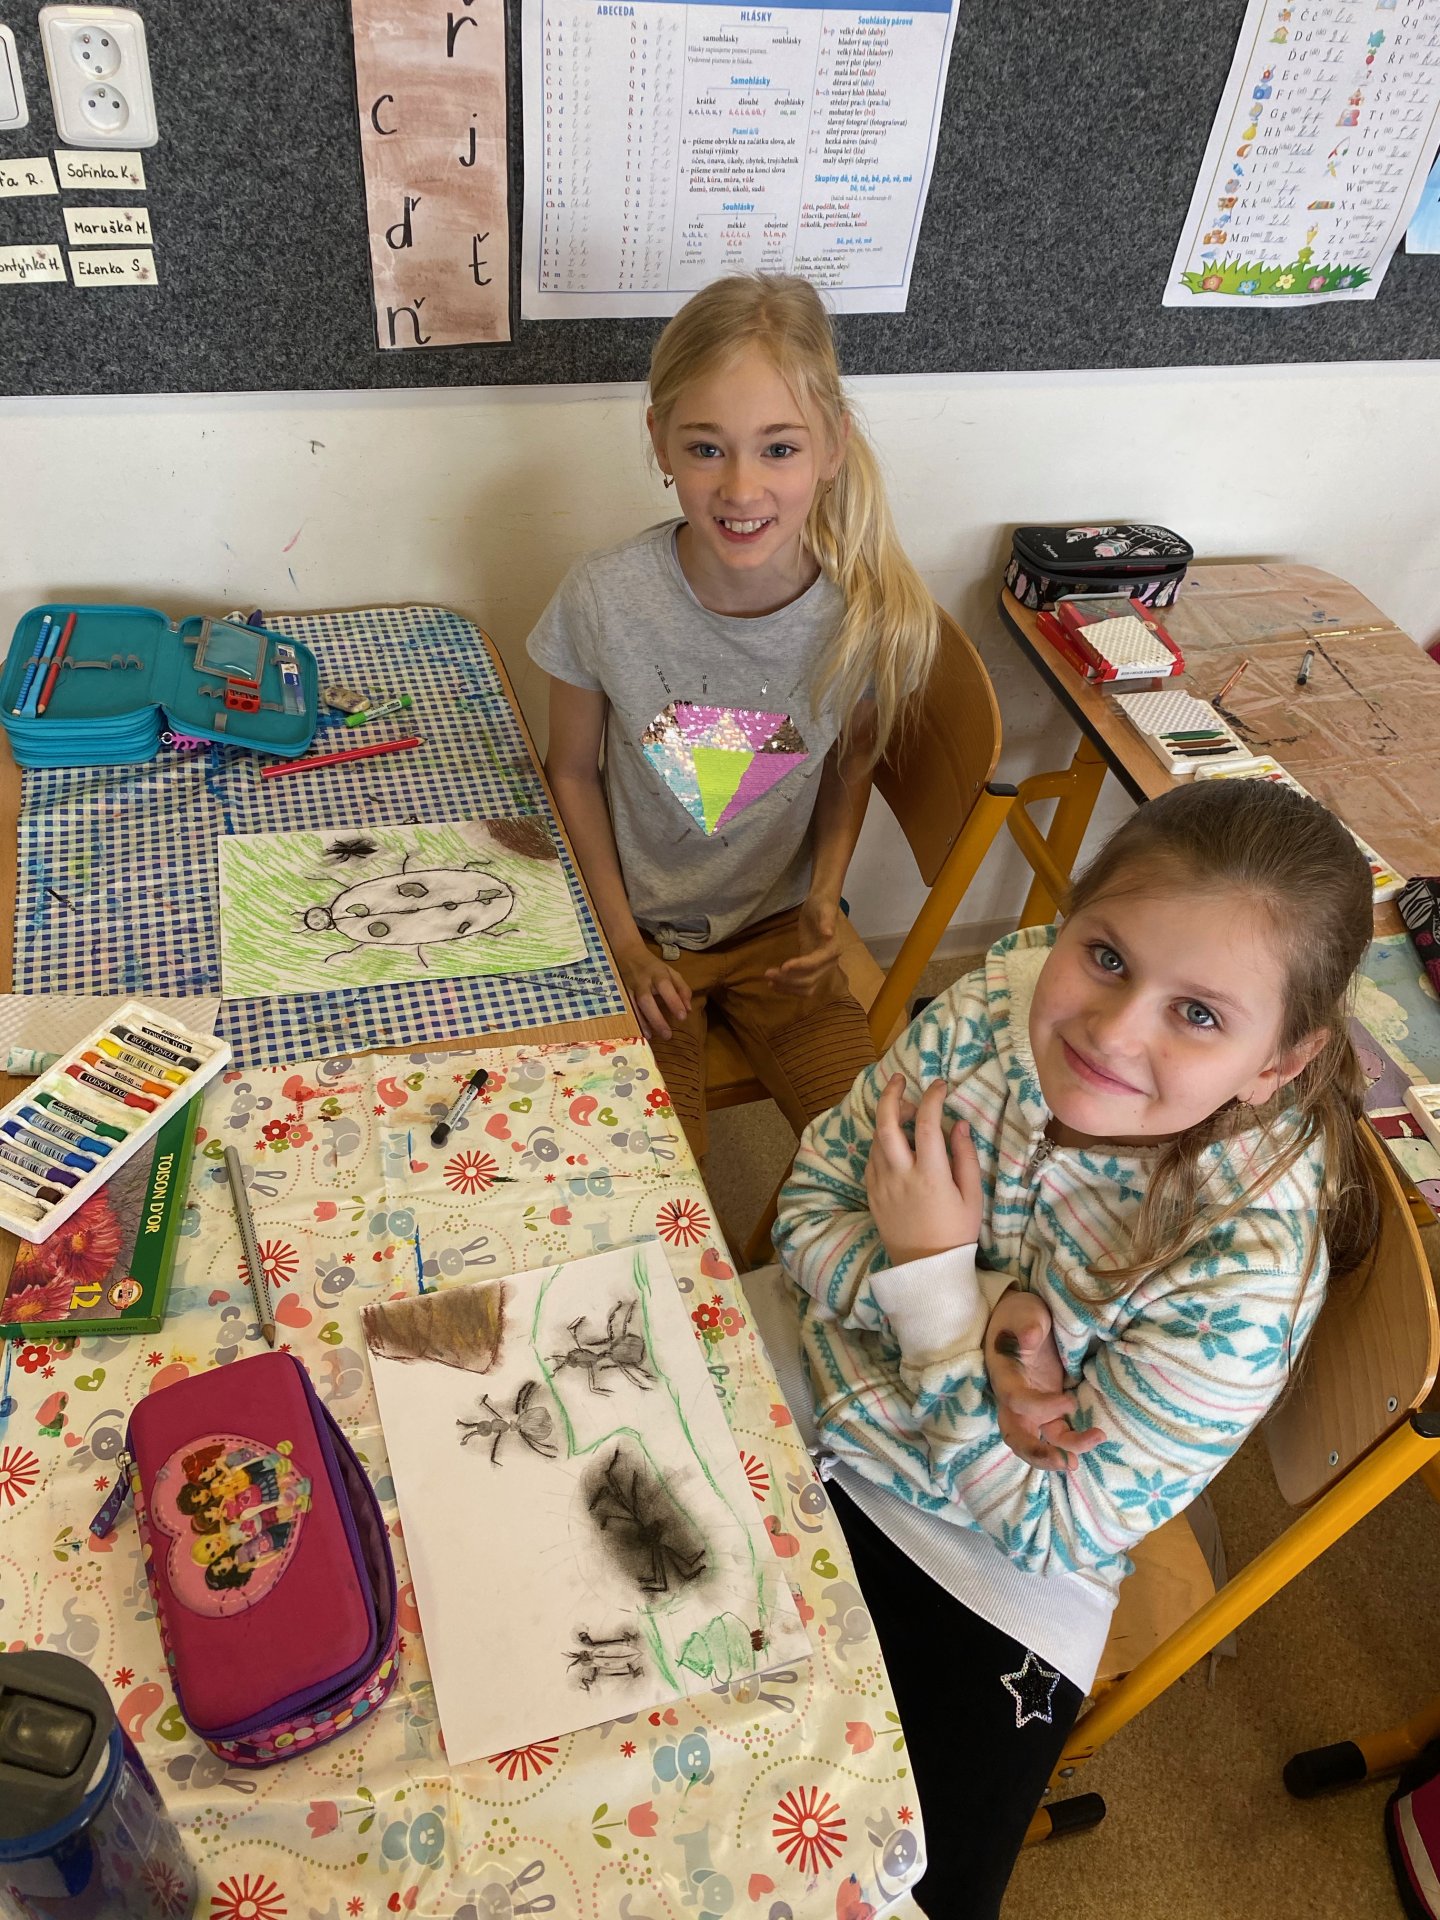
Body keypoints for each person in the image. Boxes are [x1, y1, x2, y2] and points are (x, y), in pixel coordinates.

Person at [768, 778, 1378, 1918]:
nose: (1112, 1032)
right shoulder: (993, 1010)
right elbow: (805, 1211)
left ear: (1279, 1064)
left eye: (1199, 1015)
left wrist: (931, 1285)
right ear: (1070, 919)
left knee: (872, 1883)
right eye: (1105, 957)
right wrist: (991, 1306)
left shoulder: (1246, 1275)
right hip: (807, 1397)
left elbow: (1047, 1527)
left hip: (987, 1567)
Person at [529, 272, 938, 1159]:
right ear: (661, 445)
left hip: (778, 938)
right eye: (707, 448)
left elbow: (849, 769)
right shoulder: (603, 596)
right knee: (641, 1188)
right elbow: (570, 771)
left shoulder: (869, 618)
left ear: (833, 446)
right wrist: (622, 943)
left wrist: (824, 898)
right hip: (633, 932)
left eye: (779, 448)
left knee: (882, 1162)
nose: (742, 487)